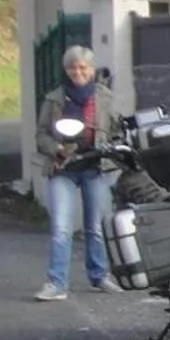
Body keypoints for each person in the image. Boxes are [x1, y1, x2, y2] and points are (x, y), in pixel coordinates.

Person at [34, 46, 118, 301]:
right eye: (72, 67)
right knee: (61, 227)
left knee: (96, 227)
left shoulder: (104, 97)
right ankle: (56, 283)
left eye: (83, 67)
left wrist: (110, 147)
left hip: (95, 167)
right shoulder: (54, 99)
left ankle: (100, 276)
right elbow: (41, 135)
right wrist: (57, 148)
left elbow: (115, 130)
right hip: (63, 169)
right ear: (66, 69)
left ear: (91, 70)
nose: (78, 72)